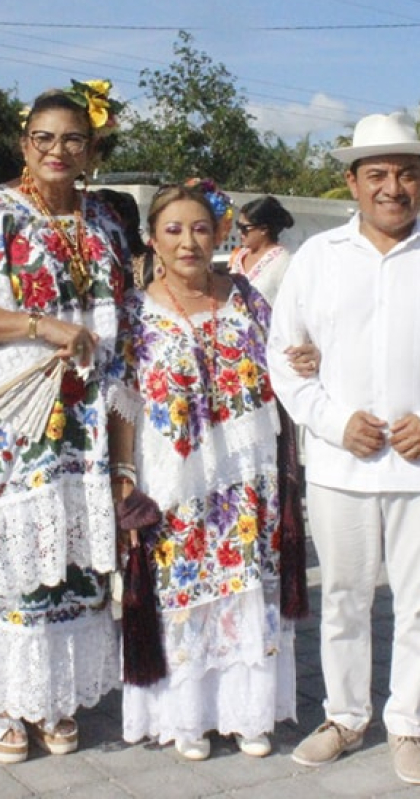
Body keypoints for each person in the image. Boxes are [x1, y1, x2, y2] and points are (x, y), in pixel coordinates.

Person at [267, 112, 420, 785]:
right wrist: (337, 423)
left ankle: (410, 722)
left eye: (405, 173)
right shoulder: (317, 259)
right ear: (352, 182)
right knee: (342, 594)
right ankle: (343, 714)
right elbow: (285, 360)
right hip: (341, 463)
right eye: (377, 174)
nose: (392, 186)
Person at [0, 82, 126, 765]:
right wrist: (37, 325)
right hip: (17, 421)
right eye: (43, 137)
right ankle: (1, 696)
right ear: (24, 144)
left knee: (71, 563)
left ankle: (54, 696)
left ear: (92, 149)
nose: (57, 150)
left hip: (87, 420)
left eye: (72, 138)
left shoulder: (104, 220)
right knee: (15, 558)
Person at [109, 182, 298, 760]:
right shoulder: (135, 312)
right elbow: (124, 398)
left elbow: (286, 364)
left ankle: (248, 713)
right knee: (185, 590)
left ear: (218, 234)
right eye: (173, 230)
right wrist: (123, 476)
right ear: (152, 240)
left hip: (247, 472)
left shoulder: (247, 299)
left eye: (199, 228)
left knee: (245, 583)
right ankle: (186, 718)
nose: (188, 241)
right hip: (173, 477)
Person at [229, 195, 295, 304]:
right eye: (238, 226)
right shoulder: (239, 256)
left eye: (244, 228)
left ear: (263, 229)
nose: (239, 232)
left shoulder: (283, 263)